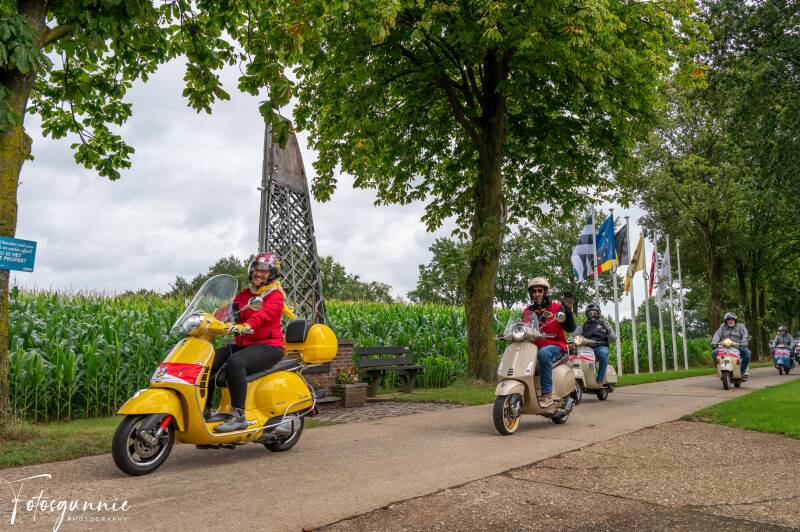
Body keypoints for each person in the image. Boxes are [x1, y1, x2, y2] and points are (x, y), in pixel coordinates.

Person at [206, 252, 295, 432]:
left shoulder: (275, 295)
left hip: (269, 346)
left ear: (272, 274)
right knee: (208, 359)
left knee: (236, 362)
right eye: (256, 270)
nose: (258, 274)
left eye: (264, 271)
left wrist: (247, 325)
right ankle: (205, 409)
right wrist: (208, 319)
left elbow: (263, 315)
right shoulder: (244, 294)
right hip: (244, 344)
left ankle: (239, 416)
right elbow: (228, 311)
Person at [522, 277, 575, 408]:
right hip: (532, 348)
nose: (537, 294)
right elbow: (522, 328)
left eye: (540, 291)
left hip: (555, 346)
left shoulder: (557, 308)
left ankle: (547, 394)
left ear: (546, 292)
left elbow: (570, 328)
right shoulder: (527, 311)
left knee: (544, 353)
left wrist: (568, 310)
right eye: (534, 291)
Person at [572, 303, 616, 385]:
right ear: (587, 314)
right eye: (590, 313)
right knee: (574, 358)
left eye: (595, 313)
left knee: (603, 353)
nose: (593, 314)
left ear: (598, 314)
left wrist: (607, 332)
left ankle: (600, 378)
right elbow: (574, 336)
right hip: (586, 348)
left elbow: (614, 338)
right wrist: (570, 341)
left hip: (600, 346)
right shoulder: (582, 326)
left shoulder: (604, 323)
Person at [711, 312, 751, 376]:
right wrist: (714, 342)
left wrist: (744, 343)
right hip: (725, 347)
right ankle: (721, 368)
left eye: (732, 319)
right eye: (728, 320)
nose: (730, 321)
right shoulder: (722, 326)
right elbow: (717, 334)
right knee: (714, 353)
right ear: (726, 321)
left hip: (738, 346)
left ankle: (742, 371)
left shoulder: (741, 326)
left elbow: (745, 335)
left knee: (748, 353)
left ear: (735, 320)